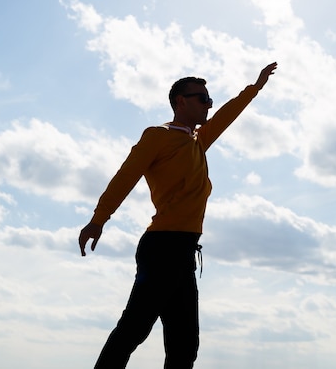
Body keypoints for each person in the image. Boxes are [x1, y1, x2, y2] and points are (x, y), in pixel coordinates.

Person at [79, 62, 277, 369]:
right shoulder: (158, 136)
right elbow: (125, 176)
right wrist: (98, 219)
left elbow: (228, 114)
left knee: (185, 344)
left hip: (184, 252)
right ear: (180, 102)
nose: (209, 105)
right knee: (134, 329)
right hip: (162, 248)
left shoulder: (198, 141)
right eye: (202, 99)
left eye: (210, 99)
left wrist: (256, 86)